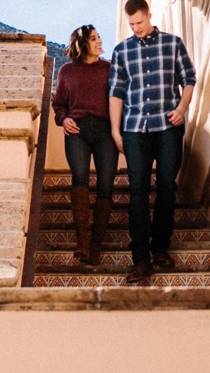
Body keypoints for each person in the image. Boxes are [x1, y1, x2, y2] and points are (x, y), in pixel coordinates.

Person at [108, 0, 196, 283]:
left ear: (149, 15)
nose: (136, 28)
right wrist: (115, 130)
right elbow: (116, 93)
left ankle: (160, 248)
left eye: (139, 22)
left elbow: (189, 79)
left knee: (167, 185)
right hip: (134, 128)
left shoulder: (173, 43)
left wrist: (181, 110)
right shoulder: (122, 51)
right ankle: (141, 259)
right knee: (137, 191)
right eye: (131, 24)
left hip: (168, 125)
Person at [52, 23, 117, 268]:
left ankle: (96, 244)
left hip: (104, 131)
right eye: (93, 38)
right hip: (77, 130)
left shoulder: (110, 69)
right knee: (79, 178)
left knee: (106, 184)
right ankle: (82, 241)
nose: (100, 41)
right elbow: (59, 105)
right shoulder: (67, 72)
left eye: (99, 37)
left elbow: (120, 99)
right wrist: (63, 119)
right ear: (82, 44)